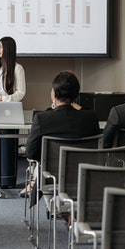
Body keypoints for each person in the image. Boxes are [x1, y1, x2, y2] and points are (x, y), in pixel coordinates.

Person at [24, 71, 100, 207]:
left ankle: (60, 209)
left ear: (53, 94)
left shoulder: (42, 119)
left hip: (52, 176)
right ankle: (69, 212)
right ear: (76, 95)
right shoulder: (91, 118)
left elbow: (30, 153)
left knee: (41, 169)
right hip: (85, 174)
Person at [0, 36, 26, 189]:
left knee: (8, 143)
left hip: (10, 108)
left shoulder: (18, 68)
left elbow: (21, 92)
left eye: (1, 47)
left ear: (8, 49)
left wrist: (6, 98)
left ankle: (8, 180)